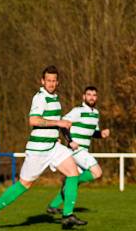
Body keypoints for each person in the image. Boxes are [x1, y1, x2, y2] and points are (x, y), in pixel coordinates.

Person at [0, 65, 85, 230]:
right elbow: (34, 120)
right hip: (38, 150)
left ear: (57, 82)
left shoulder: (55, 98)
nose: (51, 83)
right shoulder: (40, 98)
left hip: (53, 147)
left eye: (54, 81)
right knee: (25, 184)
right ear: (42, 81)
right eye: (48, 80)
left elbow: (58, 124)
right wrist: (58, 122)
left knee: (73, 173)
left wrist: (69, 140)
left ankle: (68, 215)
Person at [46, 86, 110, 214]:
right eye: (89, 94)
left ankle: (53, 206)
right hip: (76, 150)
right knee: (97, 172)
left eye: (94, 95)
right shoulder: (77, 111)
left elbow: (92, 133)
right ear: (83, 97)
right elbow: (62, 125)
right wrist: (70, 141)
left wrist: (101, 134)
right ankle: (67, 211)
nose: (92, 97)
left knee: (73, 181)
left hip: (83, 151)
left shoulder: (96, 113)